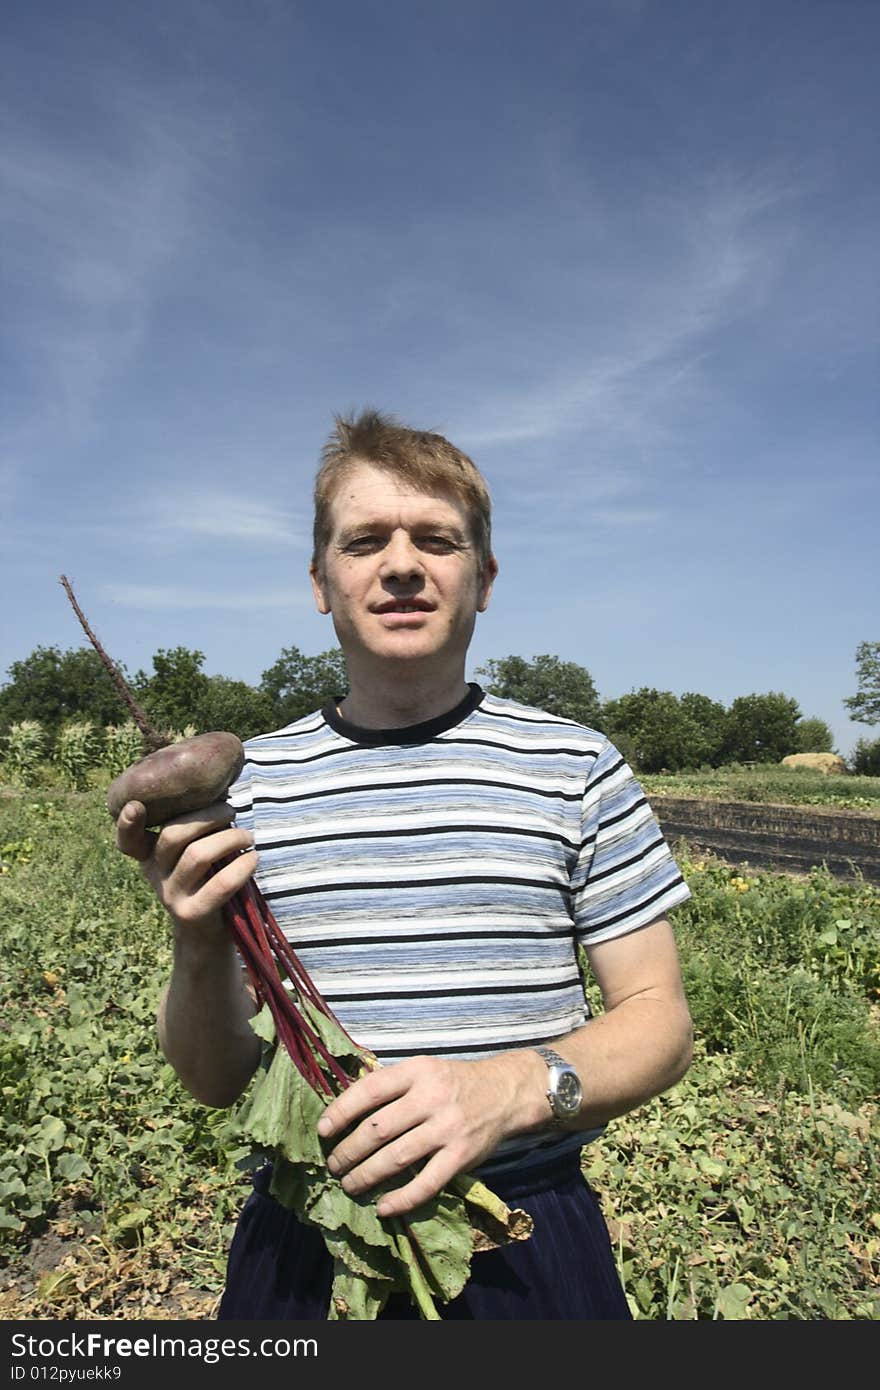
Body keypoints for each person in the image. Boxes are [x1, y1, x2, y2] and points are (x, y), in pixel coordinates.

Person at [116, 408, 694, 1320]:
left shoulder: (576, 764)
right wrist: (194, 941)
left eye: (437, 538)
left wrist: (504, 1092)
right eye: (364, 540)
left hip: (520, 1236)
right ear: (320, 580)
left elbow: (659, 1022)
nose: (400, 564)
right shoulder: (243, 790)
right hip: (306, 1236)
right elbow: (214, 1079)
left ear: (485, 577)